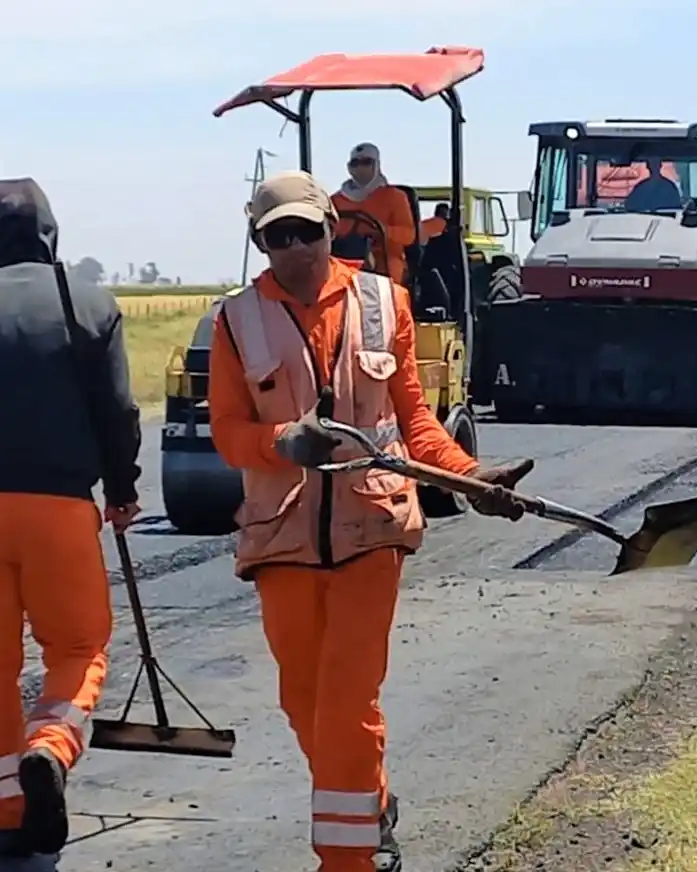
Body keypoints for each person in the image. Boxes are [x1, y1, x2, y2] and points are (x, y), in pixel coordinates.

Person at [209, 170, 534, 872]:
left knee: (348, 696)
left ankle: (349, 858)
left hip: (371, 530)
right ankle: (371, 803)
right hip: (282, 534)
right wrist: (279, 443)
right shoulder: (236, 321)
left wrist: (469, 475)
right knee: (304, 699)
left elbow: (414, 420)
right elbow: (229, 431)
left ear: (333, 226)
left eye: (306, 231)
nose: (294, 247)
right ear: (258, 241)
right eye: (277, 236)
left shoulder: (385, 303)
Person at [0, 179, 141, 859]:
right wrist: (121, 489)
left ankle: (8, 811)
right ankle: (51, 749)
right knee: (78, 649)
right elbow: (117, 411)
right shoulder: (84, 302)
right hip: (58, 506)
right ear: (49, 234)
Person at [331, 143, 417, 285]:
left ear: (376, 165)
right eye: (355, 163)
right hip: (344, 258)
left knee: (392, 273)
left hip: (385, 262)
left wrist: (382, 231)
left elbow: (409, 235)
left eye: (366, 163)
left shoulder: (395, 197)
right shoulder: (335, 200)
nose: (360, 168)